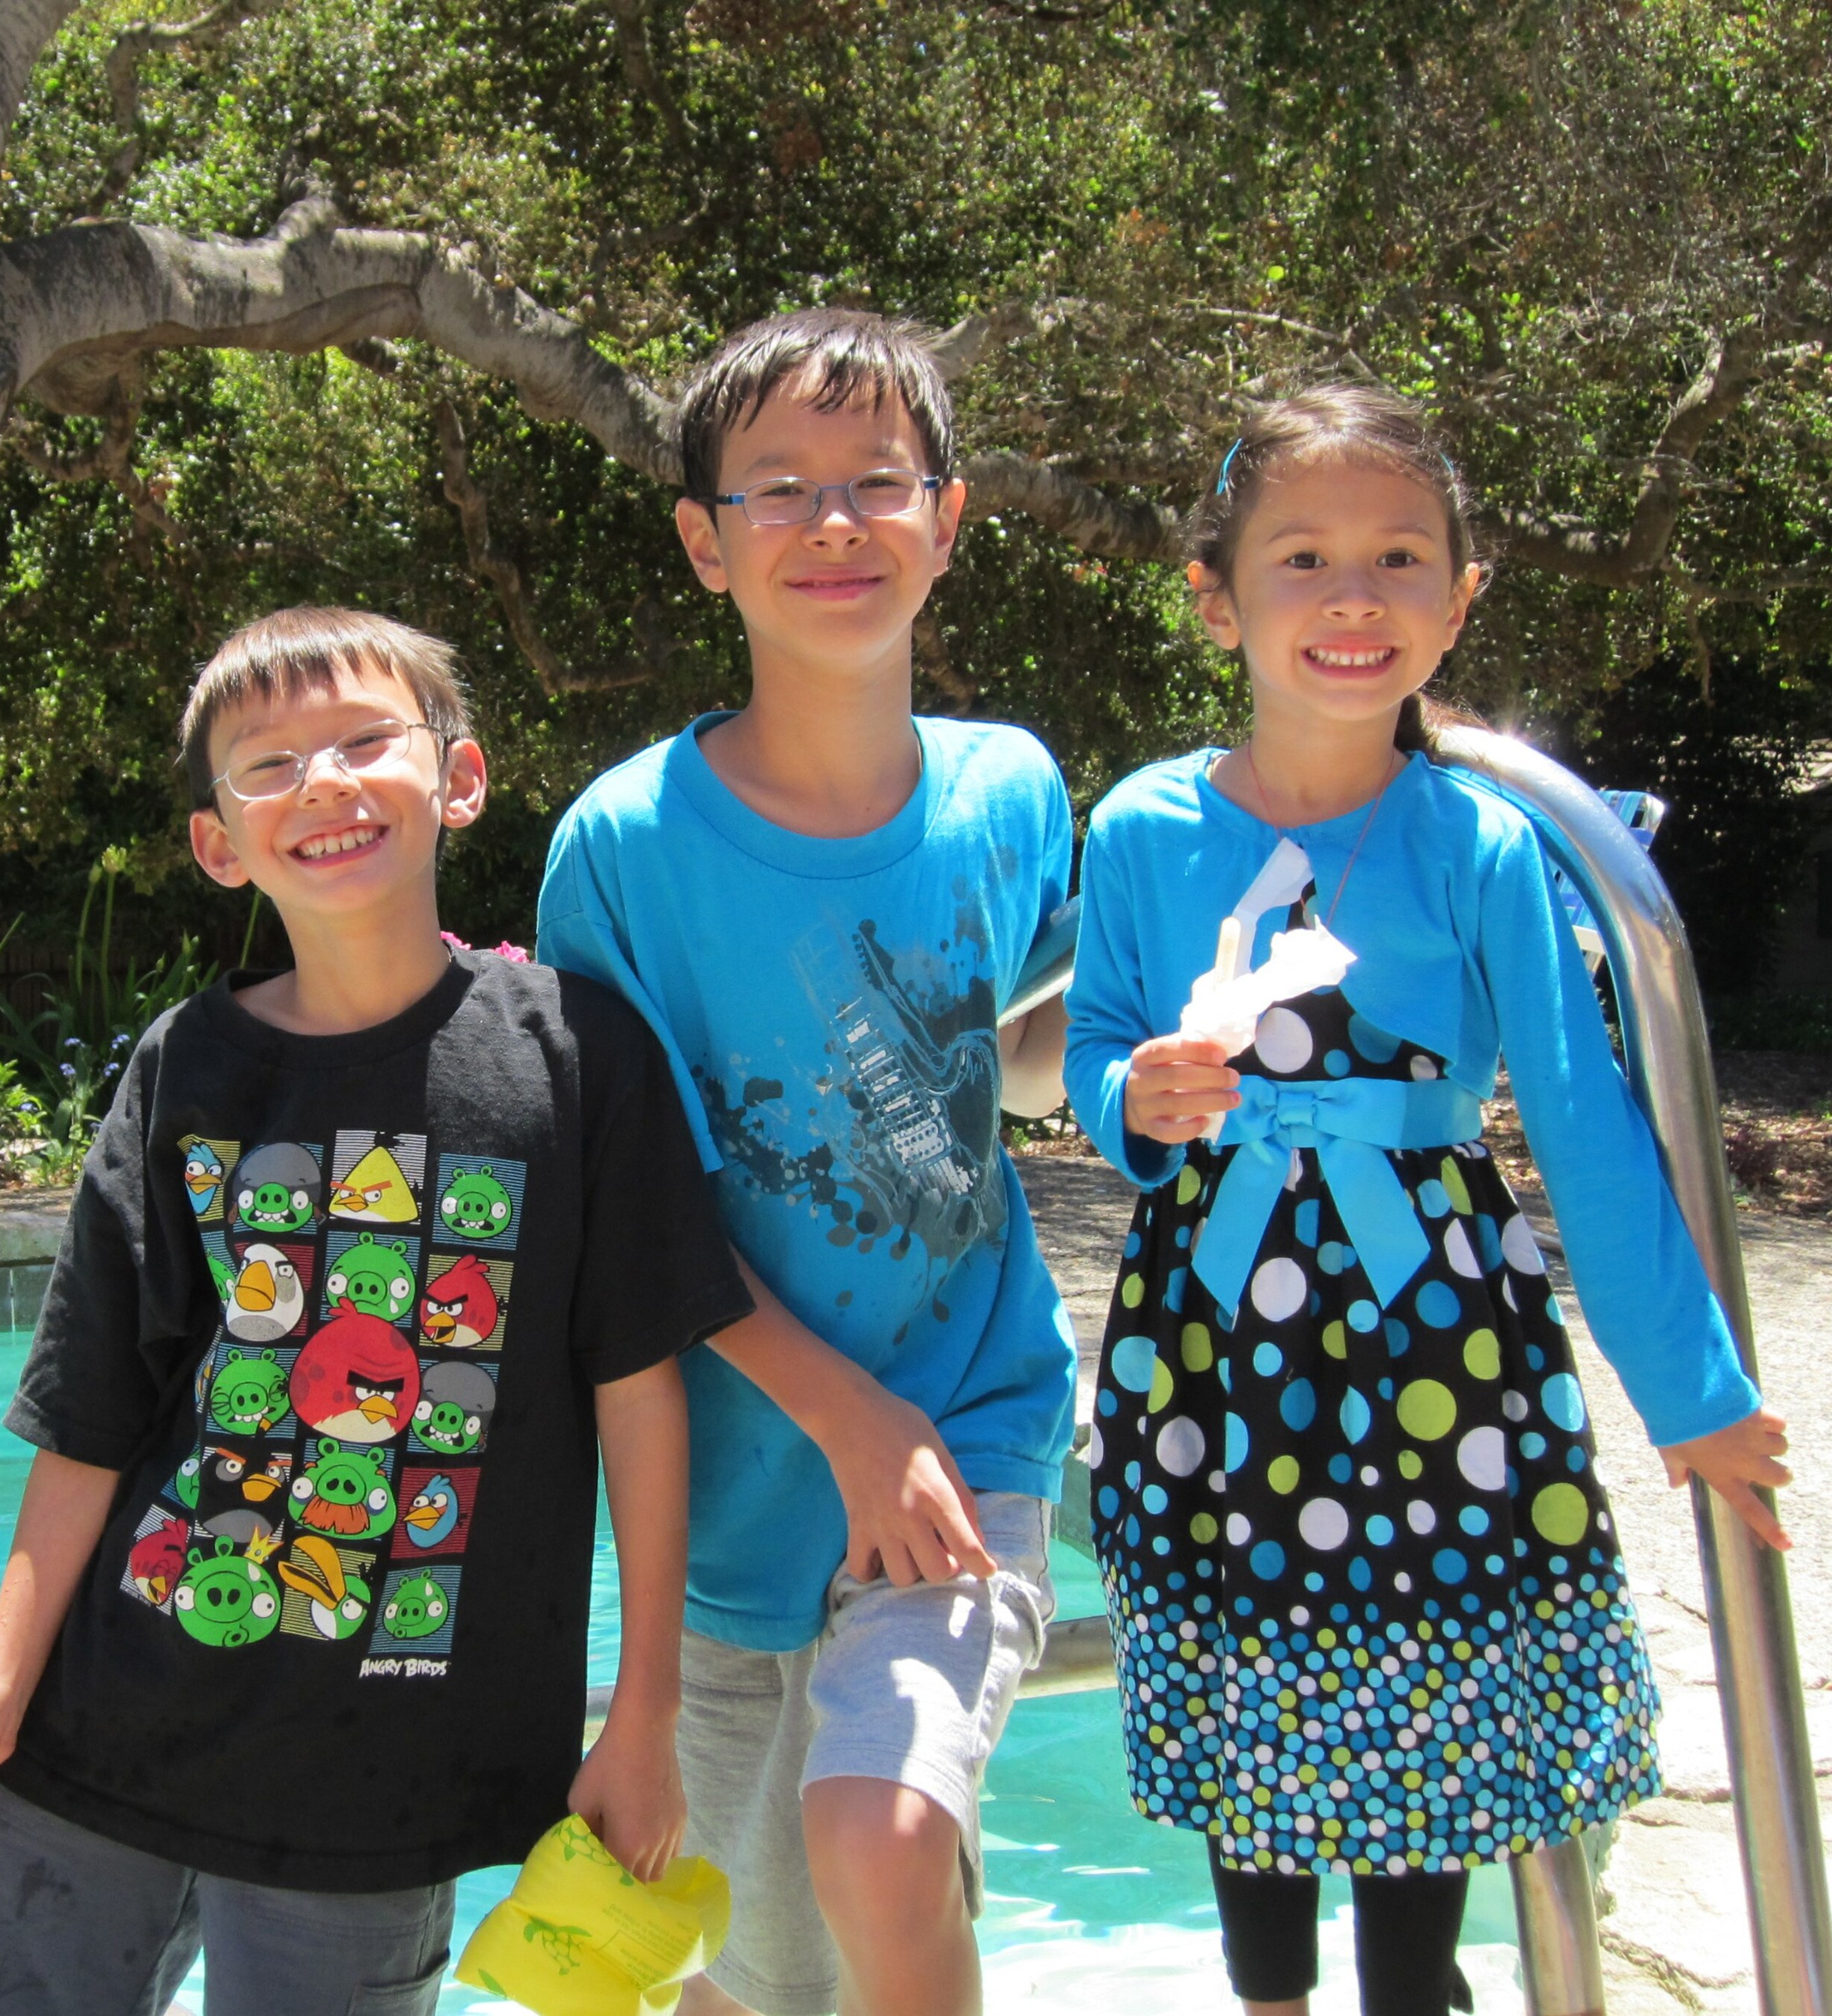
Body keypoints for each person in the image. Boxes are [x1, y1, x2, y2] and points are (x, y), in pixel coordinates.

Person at [0, 608, 751, 2016]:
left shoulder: (576, 1059)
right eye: (267, 764)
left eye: (362, 741)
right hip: (103, 1730)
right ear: (219, 842)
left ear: (460, 778)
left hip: (379, 1788)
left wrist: (644, 1713)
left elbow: (640, 1396)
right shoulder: (186, 1069)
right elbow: (89, 1414)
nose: (322, 782)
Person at [1062, 386, 1794, 2016]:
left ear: (1458, 599)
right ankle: (1267, 2001)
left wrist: (1691, 1395)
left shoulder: (1479, 840)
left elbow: (1585, 1122)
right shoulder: (1142, 828)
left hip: (1430, 1327)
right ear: (1215, 596)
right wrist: (1133, 1101)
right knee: (1246, 1665)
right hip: (1214, 1333)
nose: (1353, 594)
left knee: (1430, 1670)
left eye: (1398, 557)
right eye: (1302, 556)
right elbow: (1099, 1045)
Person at [537, 308, 1076, 2016]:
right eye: (777, 488)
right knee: (749, 1969)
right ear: (706, 543)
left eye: (877, 481)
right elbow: (625, 1217)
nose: (832, 521)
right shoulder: (622, 849)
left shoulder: (1013, 790)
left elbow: (1014, 1062)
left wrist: (1157, 1041)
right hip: (728, 1491)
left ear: (948, 518)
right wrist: (844, 1418)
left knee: (886, 1840)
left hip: (970, 1425)